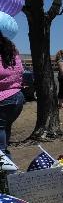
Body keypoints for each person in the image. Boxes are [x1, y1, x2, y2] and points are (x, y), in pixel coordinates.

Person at [0, 33, 24, 171]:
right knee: (5, 134)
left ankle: (8, 175)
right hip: (17, 97)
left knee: (1, 148)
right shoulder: (11, 50)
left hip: (3, 99)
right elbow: (19, 72)